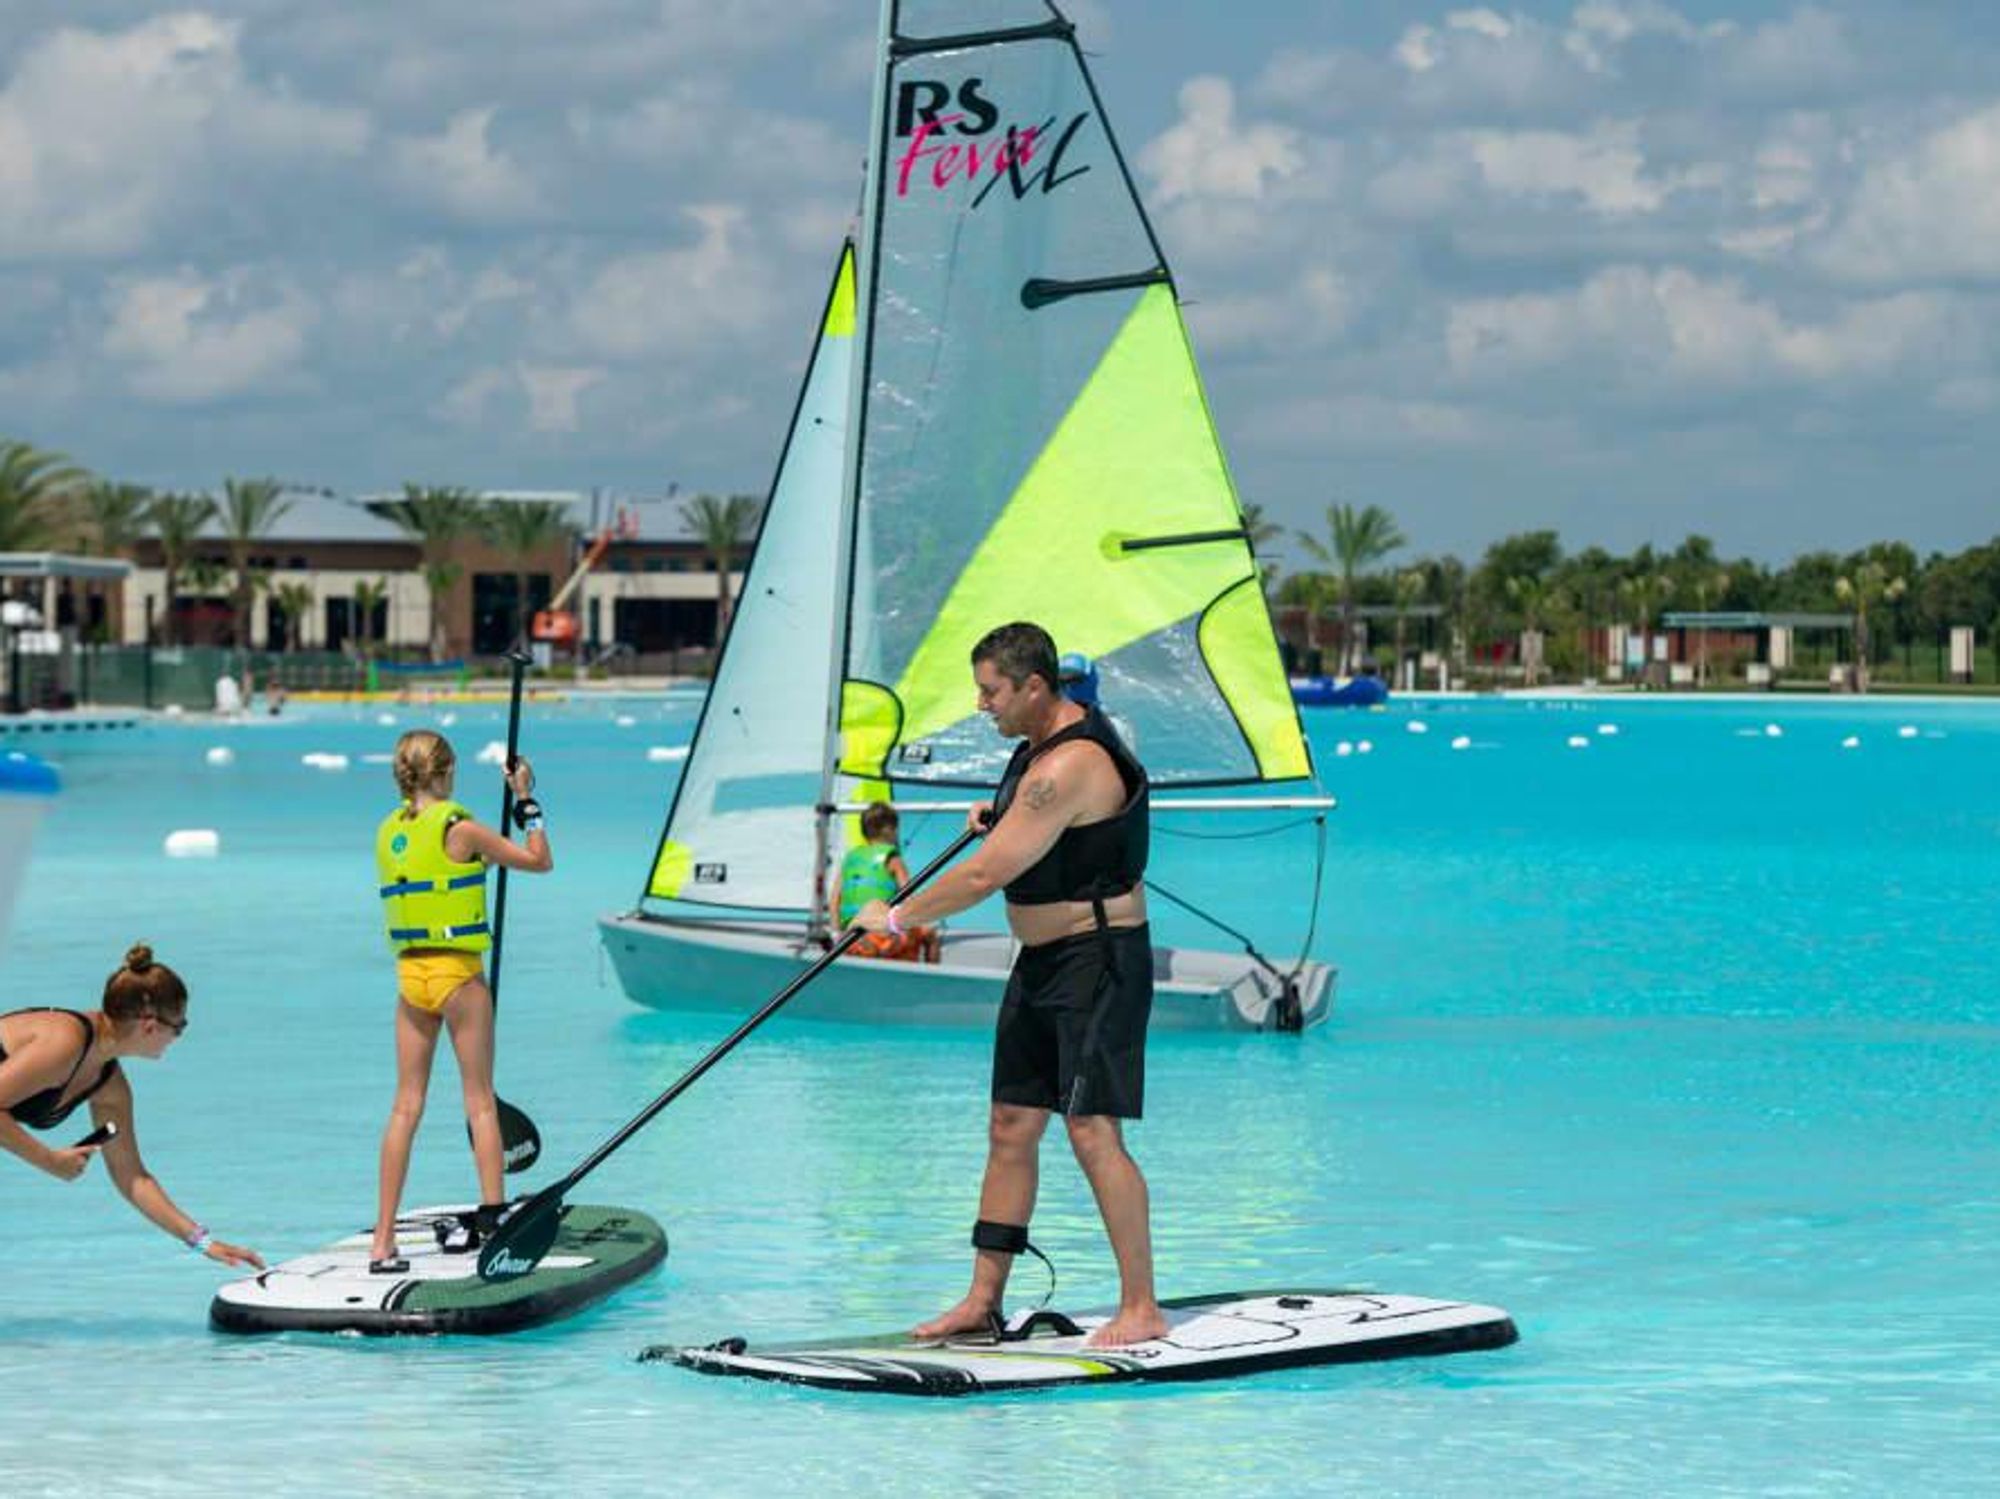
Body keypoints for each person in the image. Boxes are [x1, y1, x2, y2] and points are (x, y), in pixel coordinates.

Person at [850, 621, 1166, 1348]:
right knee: (1011, 1124)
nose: (980, 703)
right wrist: (1005, 813)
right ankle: (981, 1300)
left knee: (1091, 1130)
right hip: (1044, 963)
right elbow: (1034, 830)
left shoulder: (1068, 764)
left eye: (991, 690)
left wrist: (894, 916)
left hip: (1099, 961)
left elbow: (987, 873)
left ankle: (1141, 1305)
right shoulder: (1037, 752)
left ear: (1033, 686)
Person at [370, 730, 551, 1273]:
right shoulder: (462, 827)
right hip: (458, 979)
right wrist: (527, 801)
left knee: (406, 1106)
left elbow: (447, 875)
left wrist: (481, 856)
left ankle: (382, 1241)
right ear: (446, 773)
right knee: (479, 1101)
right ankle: (495, 1220)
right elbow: (538, 860)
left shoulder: (389, 831)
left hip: (411, 980)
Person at [0, 945, 264, 1268]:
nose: (177, 1038)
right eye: (179, 1028)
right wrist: (49, 1160)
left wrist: (203, 1242)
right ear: (150, 1026)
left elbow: (132, 1176)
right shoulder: (64, 1042)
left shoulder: (109, 1085)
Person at [838, 803, 941, 963]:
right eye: (896, 829)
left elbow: (834, 899)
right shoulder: (893, 858)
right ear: (888, 829)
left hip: (850, 941)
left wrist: (838, 932)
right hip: (882, 941)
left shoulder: (851, 858)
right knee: (930, 935)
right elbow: (909, 897)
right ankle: (932, 985)